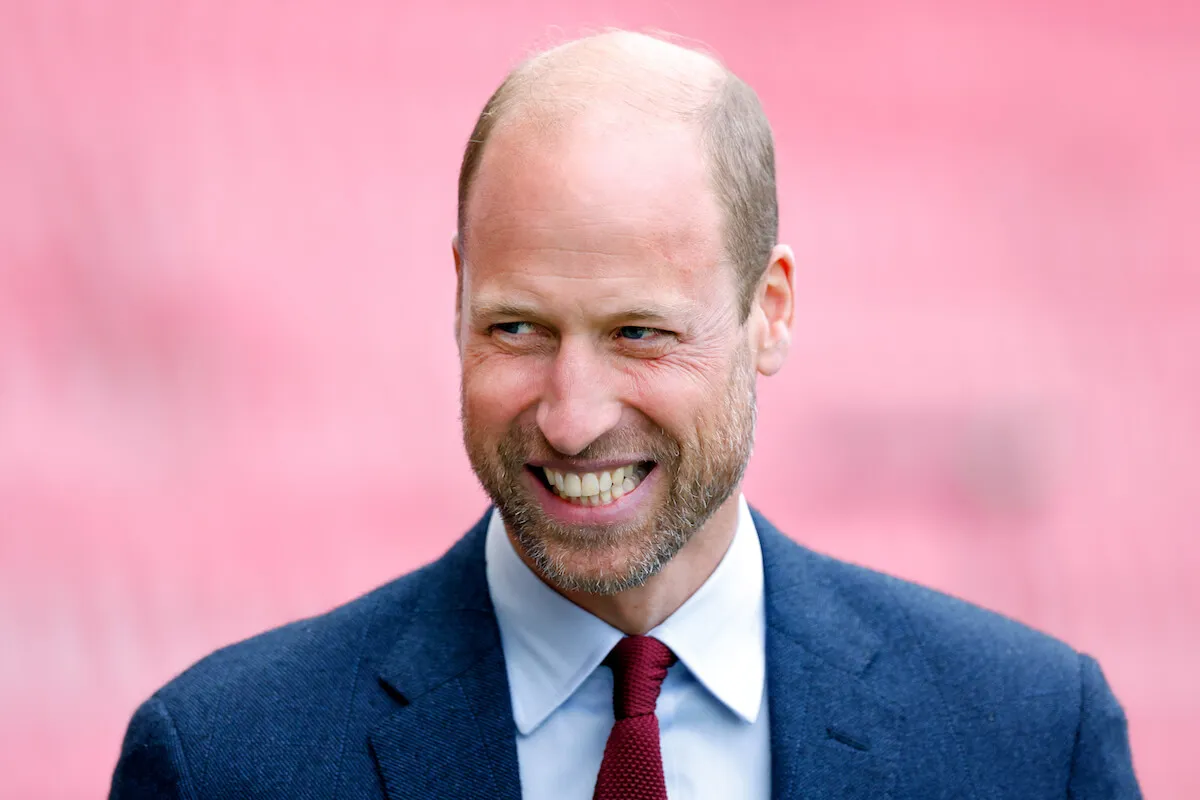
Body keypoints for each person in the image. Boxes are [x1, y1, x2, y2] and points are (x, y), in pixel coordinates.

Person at [110, 31, 1141, 799]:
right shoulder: (225, 760)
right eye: (516, 328)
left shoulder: (1029, 741)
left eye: (640, 332)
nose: (571, 415)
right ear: (458, 295)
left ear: (768, 311)